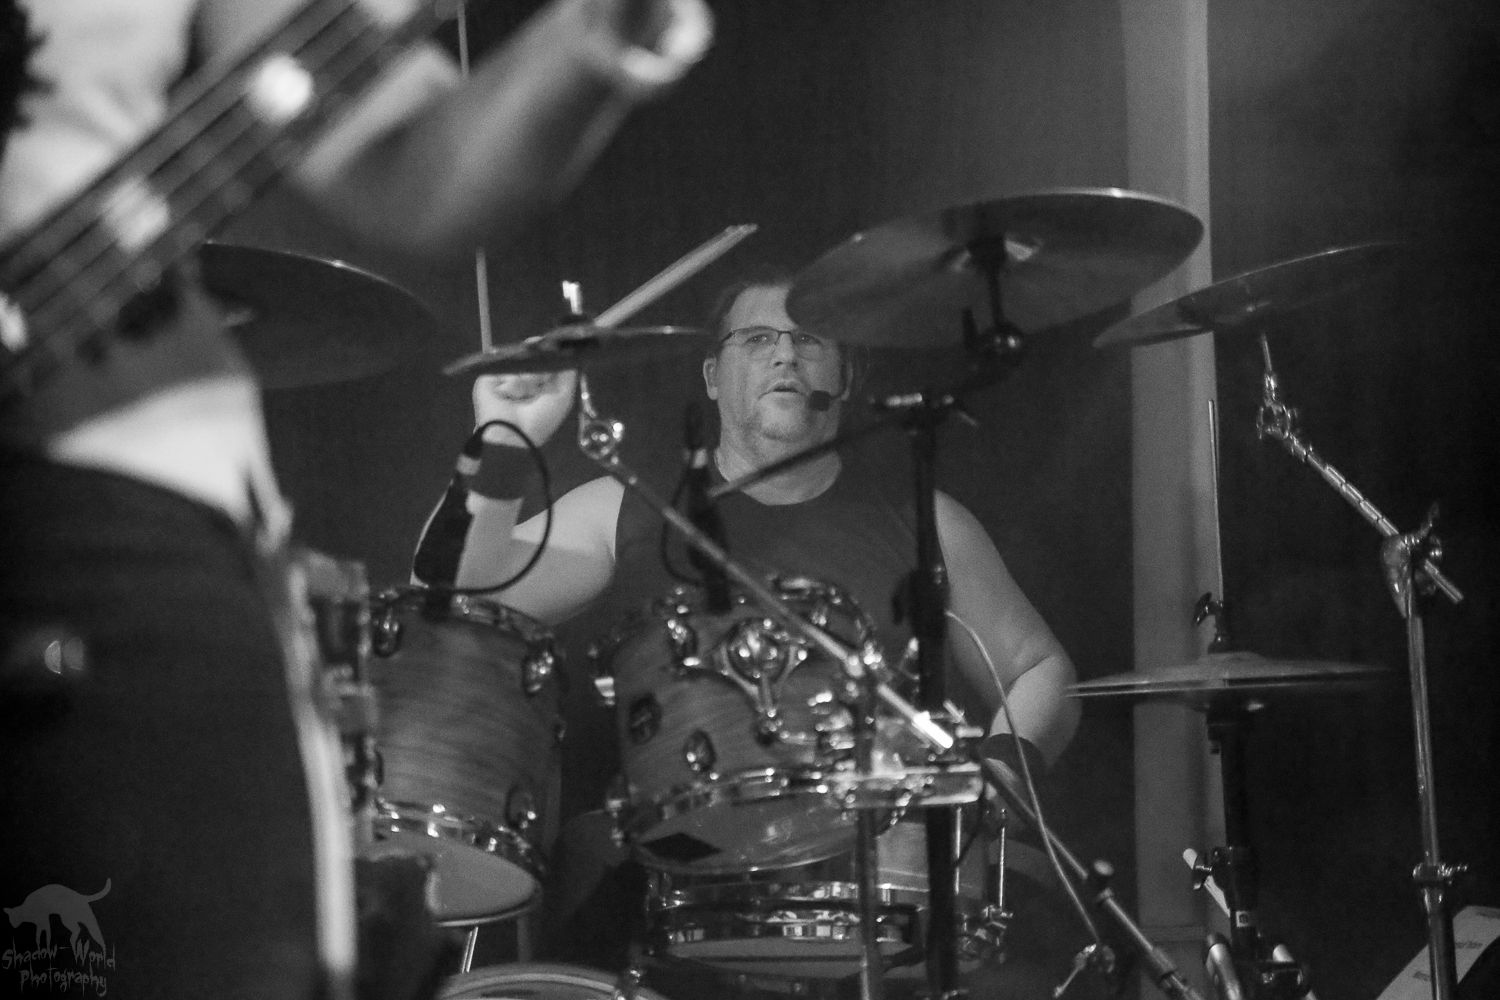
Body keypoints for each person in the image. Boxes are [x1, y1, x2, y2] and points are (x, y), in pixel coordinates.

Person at [0, 1, 711, 998]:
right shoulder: (635, 511)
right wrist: (500, 451)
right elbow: (467, 579)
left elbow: (406, 169)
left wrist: (596, 31)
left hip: (119, 501)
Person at [416, 275, 1084, 995]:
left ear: (846, 376)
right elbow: (453, 591)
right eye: (758, 339)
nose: (785, 356)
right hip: (668, 881)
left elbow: (1038, 666)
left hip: (877, 888)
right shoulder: (631, 507)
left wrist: (1001, 773)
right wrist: (501, 439)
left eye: (809, 340)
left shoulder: (923, 520)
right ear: (712, 376)